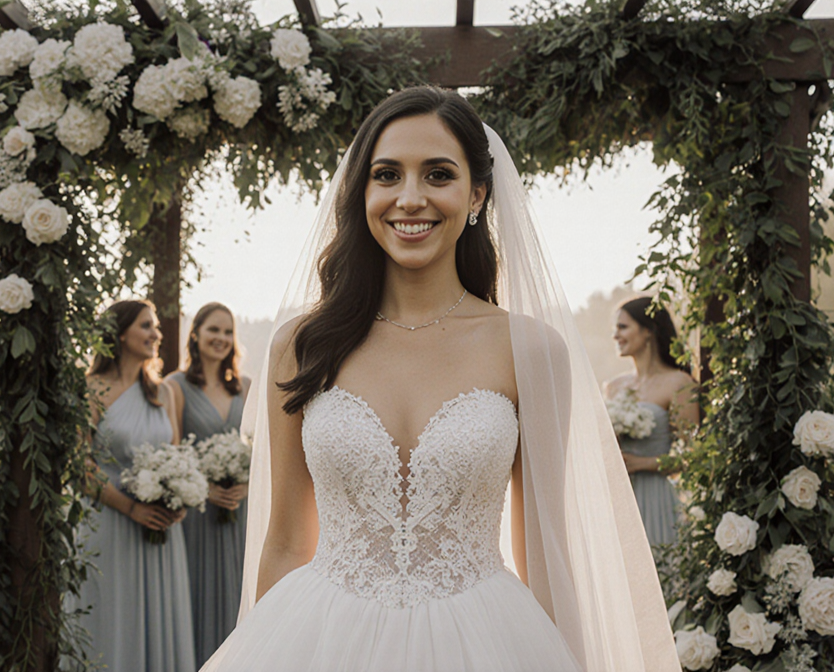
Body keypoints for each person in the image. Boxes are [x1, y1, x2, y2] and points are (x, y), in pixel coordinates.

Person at [201, 87, 679, 672]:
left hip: (485, 642)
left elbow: (545, 551)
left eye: (437, 174)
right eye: (387, 175)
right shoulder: (301, 347)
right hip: (321, 641)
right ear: (363, 193)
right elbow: (284, 543)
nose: (410, 198)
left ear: (476, 193)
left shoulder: (530, 349)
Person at [76, 299, 196, 672]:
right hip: (109, 523)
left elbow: (176, 457)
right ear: (120, 332)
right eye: (147, 326)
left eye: (156, 327)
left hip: (160, 531)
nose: (156, 334)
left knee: (157, 617)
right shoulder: (90, 390)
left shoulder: (166, 393)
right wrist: (132, 508)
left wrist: (180, 497)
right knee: (112, 620)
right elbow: (79, 465)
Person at [165, 302, 251, 661]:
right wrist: (205, 488)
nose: (221, 338)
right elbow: (172, 451)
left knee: (238, 593)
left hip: (238, 509)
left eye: (228, 332)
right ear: (196, 334)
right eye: (213, 330)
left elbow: (260, 449)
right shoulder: (176, 385)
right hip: (198, 511)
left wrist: (246, 485)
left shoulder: (245, 387)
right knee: (196, 595)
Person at [603, 297, 698, 548]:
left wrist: (642, 463)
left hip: (659, 498)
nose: (616, 335)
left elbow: (693, 456)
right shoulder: (614, 387)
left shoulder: (679, 384)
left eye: (623, 327)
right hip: (620, 500)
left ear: (648, 331)